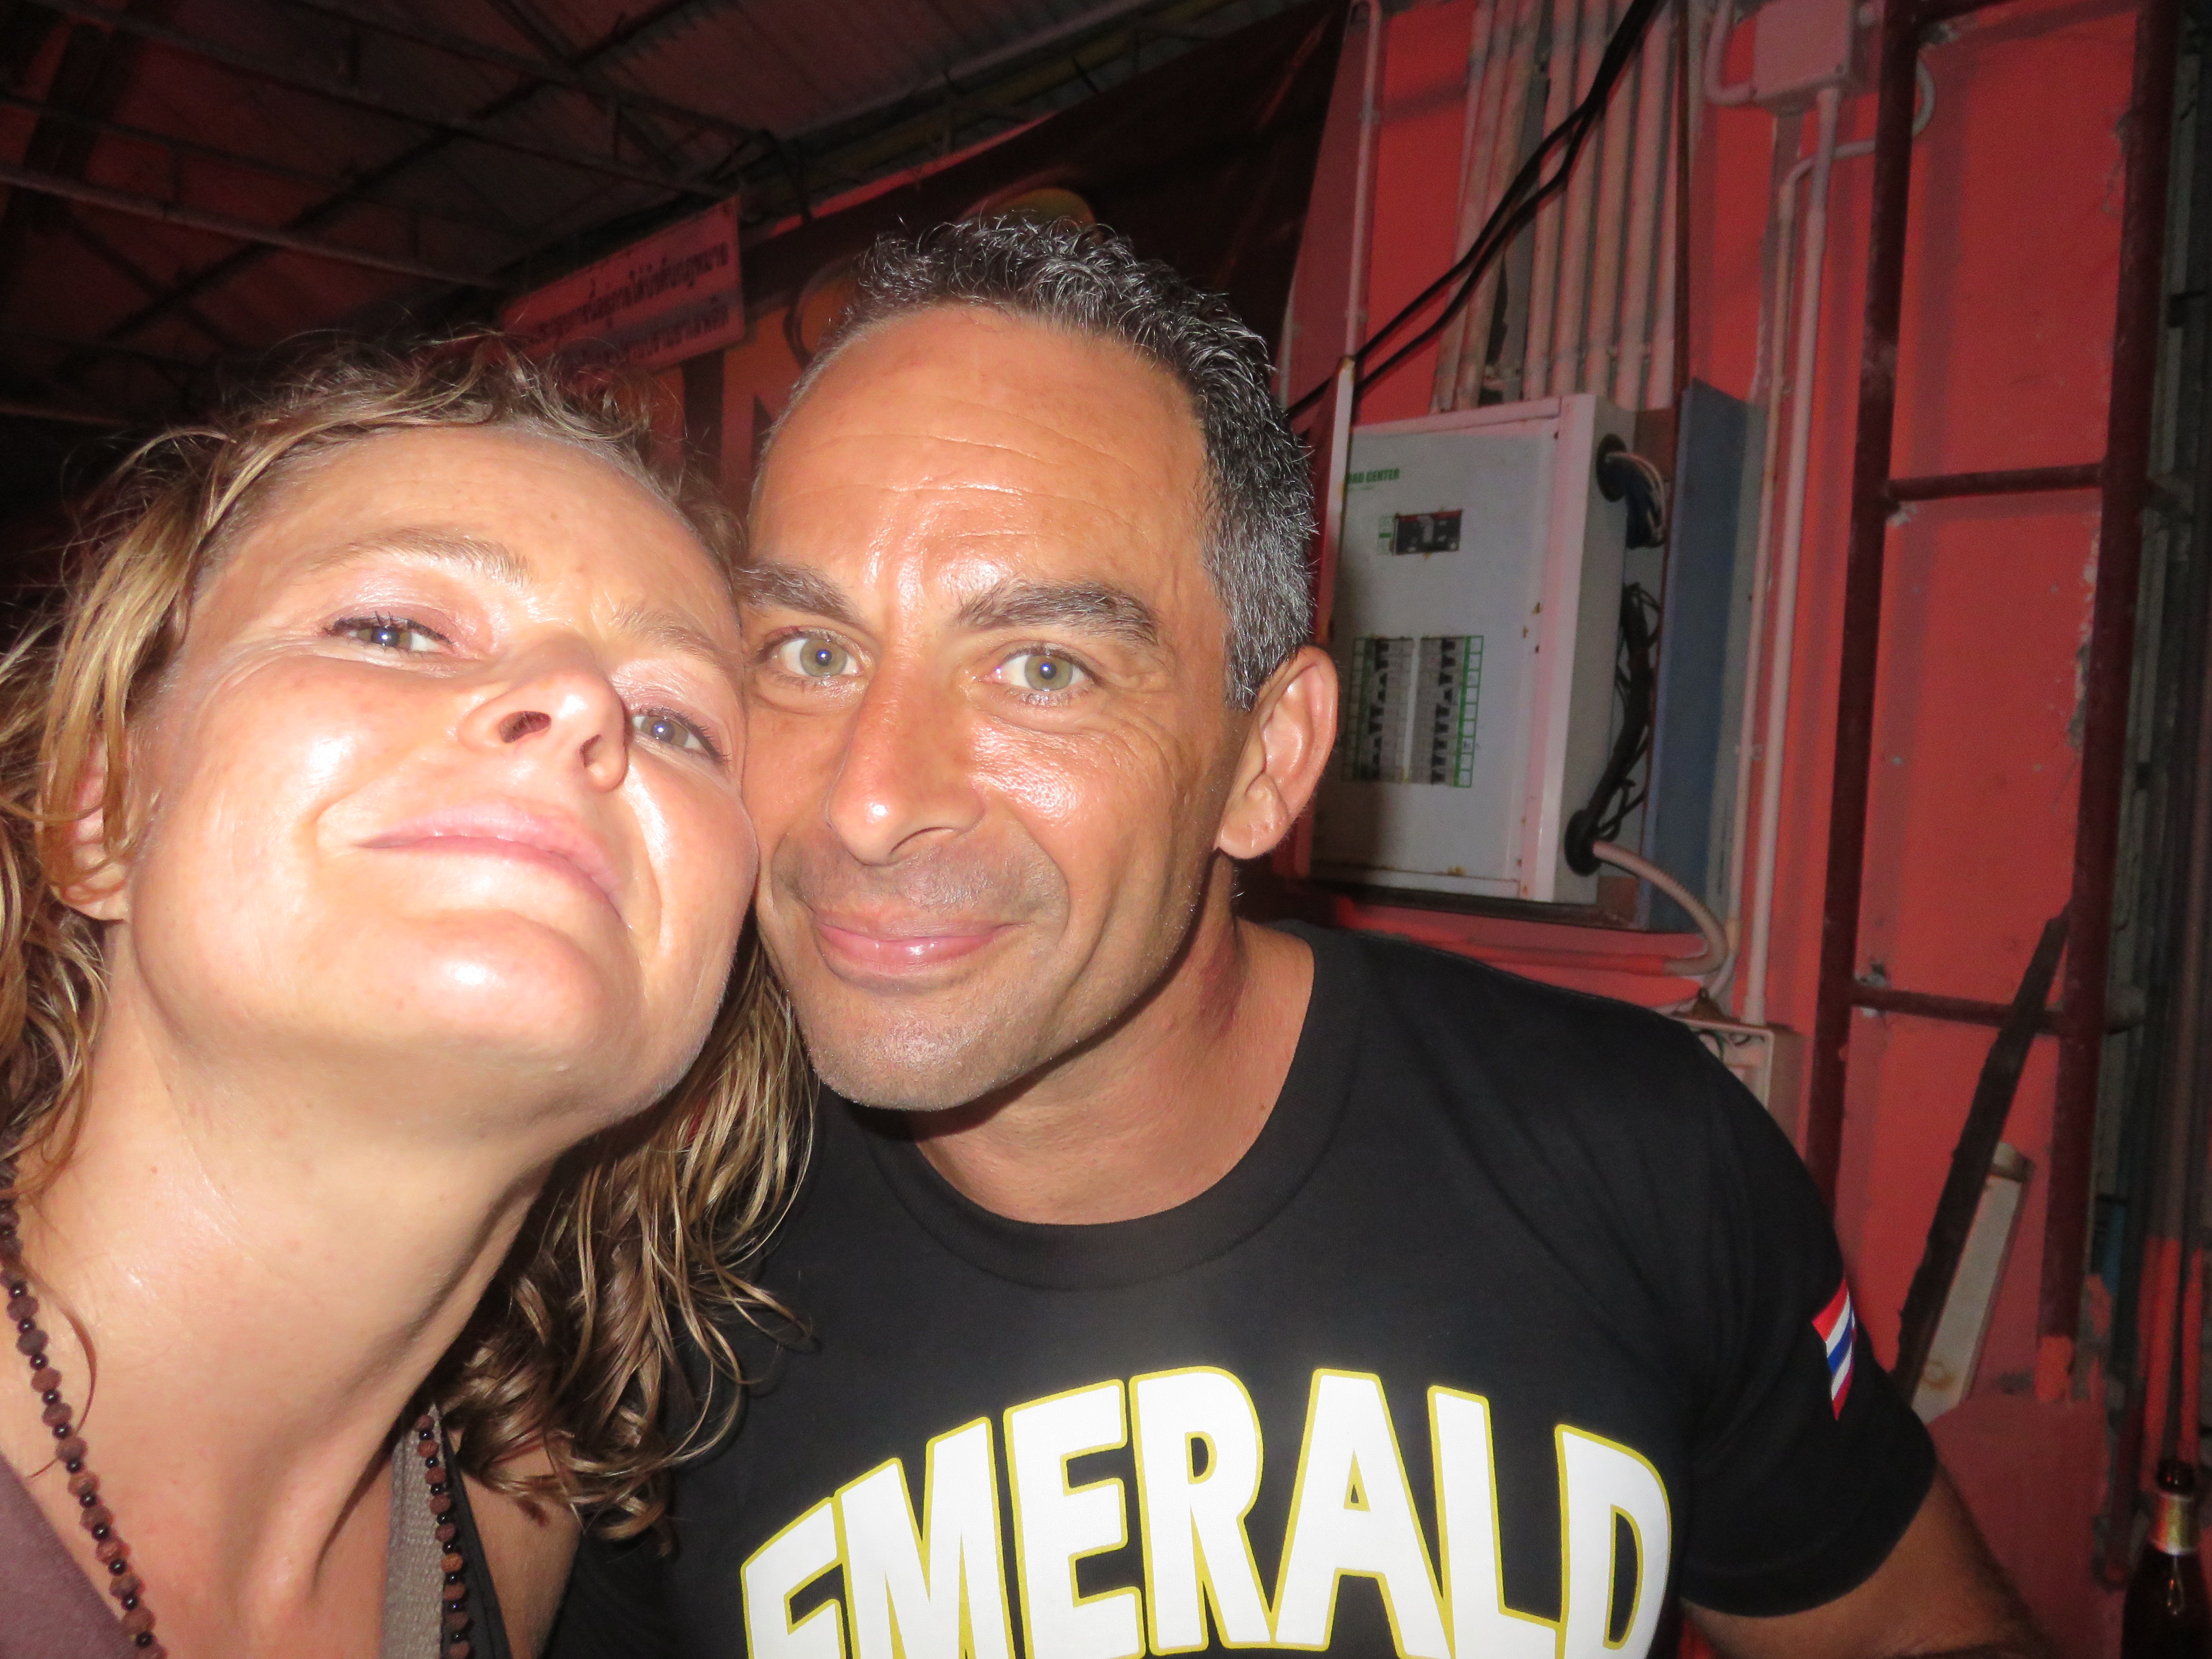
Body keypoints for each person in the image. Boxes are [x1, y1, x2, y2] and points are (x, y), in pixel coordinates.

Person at [553, 219, 2047, 1659]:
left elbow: (1908, 1624)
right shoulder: (634, 1260)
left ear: (1267, 763)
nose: (869, 803)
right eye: (811, 651)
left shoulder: (1640, 1160)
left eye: (1043, 669)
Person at [0, 342, 803, 1658]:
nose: (578, 703)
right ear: (103, 807)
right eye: (392, 629)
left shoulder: (513, 1529)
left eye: (676, 723)